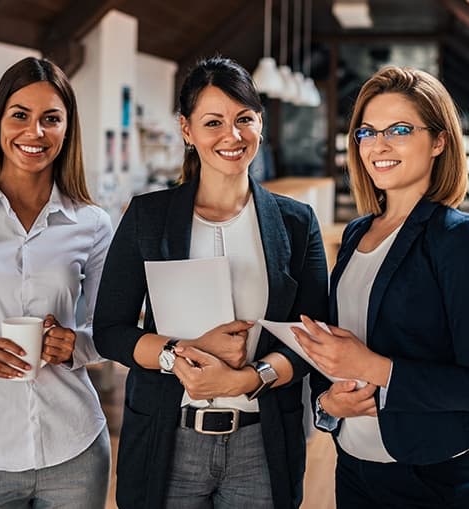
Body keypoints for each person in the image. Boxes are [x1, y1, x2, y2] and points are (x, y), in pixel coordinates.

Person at [93, 56, 329, 509]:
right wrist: (176, 356)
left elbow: (311, 336)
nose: (232, 135)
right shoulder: (147, 217)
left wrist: (249, 379)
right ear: (187, 130)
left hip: (261, 444)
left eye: (244, 119)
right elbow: (110, 330)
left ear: (260, 123)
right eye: (213, 122)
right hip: (169, 437)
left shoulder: (297, 222)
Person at [293, 66, 469, 508]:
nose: (379, 145)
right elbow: (338, 350)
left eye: (400, 129)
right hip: (353, 465)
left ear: (440, 141)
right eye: (367, 132)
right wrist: (328, 405)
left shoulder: (456, 239)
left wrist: (378, 369)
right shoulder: (356, 233)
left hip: (430, 477)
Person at [0, 57, 113, 508]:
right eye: (21, 115)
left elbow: (115, 326)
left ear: (67, 129)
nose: (35, 132)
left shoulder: (92, 223)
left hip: (74, 448)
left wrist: (78, 345)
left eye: (51, 119)